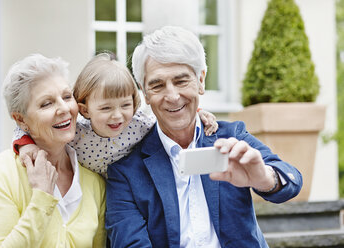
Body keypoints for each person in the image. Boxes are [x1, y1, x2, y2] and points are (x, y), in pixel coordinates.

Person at [105, 26, 303, 247]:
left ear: (201, 80)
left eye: (181, 81)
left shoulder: (232, 137)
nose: (172, 96)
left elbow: (292, 180)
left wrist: (265, 178)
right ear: (145, 93)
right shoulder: (125, 172)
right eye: (158, 85)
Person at [13, 52, 218, 178]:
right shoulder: (76, 131)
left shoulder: (139, 124)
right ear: (85, 110)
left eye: (125, 105)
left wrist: (198, 113)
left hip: (127, 192)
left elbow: (168, 115)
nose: (117, 116)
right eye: (105, 108)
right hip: (91, 194)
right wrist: (26, 144)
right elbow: (30, 126)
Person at [0, 54, 106, 247]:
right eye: (47, 103)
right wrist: (42, 198)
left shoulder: (94, 181)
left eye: (66, 96)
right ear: (21, 120)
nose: (64, 108)